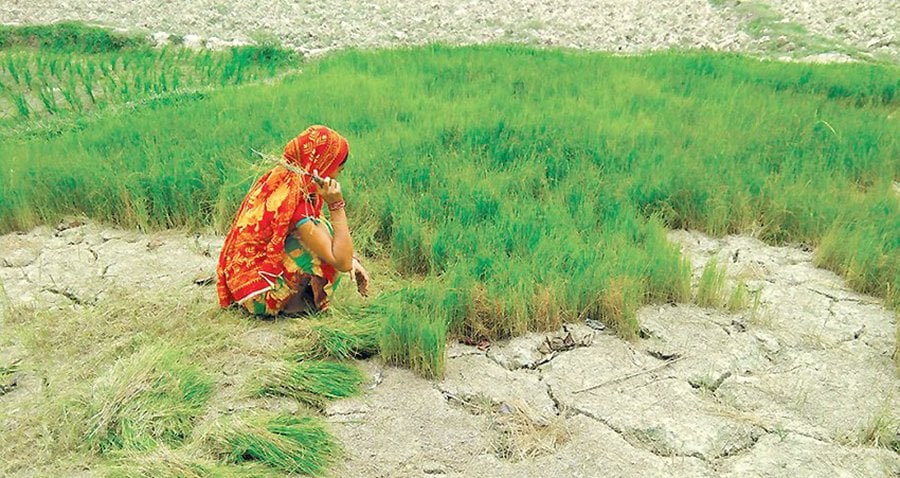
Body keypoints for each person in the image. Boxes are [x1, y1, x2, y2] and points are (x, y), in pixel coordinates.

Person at [216, 125, 369, 316]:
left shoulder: (284, 179)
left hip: (241, 281)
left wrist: (352, 259)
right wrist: (337, 205)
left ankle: (296, 297)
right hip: (257, 296)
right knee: (322, 253)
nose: (338, 176)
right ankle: (295, 306)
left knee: (324, 229)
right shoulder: (297, 204)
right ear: (322, 165)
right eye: (338, 170)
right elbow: (342, 262)